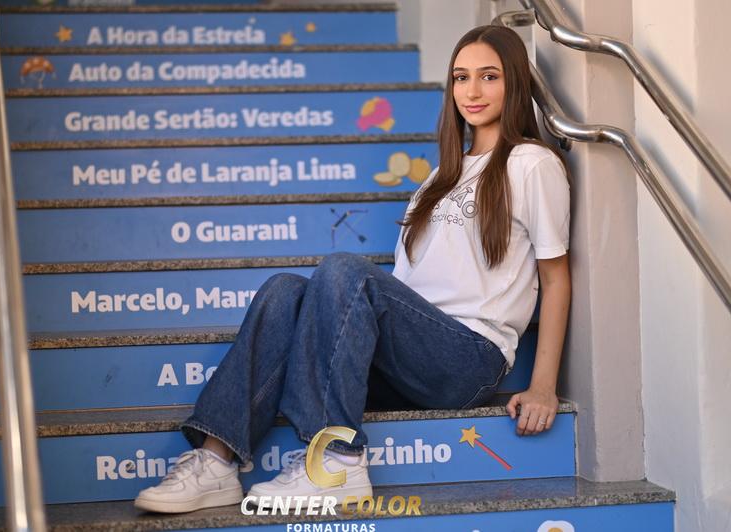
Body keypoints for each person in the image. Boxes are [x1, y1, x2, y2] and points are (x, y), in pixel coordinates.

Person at [134, 24, 571, 514]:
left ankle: (337, 460)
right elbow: (408, 287)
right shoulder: (439, 178)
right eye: (460, 77)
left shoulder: (531, 164)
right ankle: (216, 460)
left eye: (489, 76)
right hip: (406, 357)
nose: (472, 91)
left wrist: (543, 386)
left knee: (346, 270)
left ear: (514, 83)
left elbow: (555, 278)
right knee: (284, 290)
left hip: (467, 358)